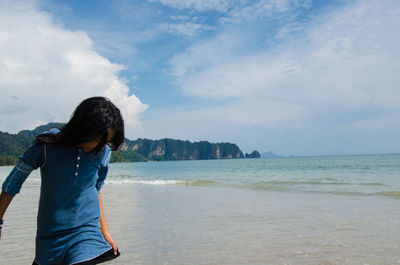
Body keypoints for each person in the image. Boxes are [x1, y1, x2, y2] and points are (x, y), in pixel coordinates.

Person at [0, 97, 124, 265]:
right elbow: (13, 182)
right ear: (83, 129)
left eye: (107, 142)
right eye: (98, 140)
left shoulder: (103, 153)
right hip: (50, 237)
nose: (102, 147)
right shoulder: (46, 145)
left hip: (86, 232)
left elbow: (96, 189)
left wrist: (105, 232)